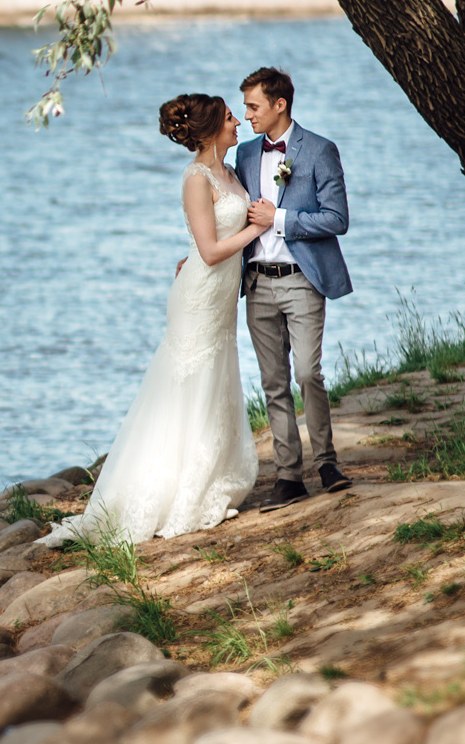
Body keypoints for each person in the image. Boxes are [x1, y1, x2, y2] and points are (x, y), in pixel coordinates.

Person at [48, 93, 260, 545]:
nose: (238, 121)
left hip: (220, 297)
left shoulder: (231, 171)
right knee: (187, 380)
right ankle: (170, 488)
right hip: (199, 295)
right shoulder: (196, 179)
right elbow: (209, 250)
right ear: (209, 130)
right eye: (229, 117)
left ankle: (210, 473)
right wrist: (257, 228)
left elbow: (216, 241)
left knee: (216, 376)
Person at [234, 67, 351, 506]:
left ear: (279, 105)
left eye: (253, 106)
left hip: (303, 281)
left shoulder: (319, 150)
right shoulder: (245, 155)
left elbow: (337, 218)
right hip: (258, 285)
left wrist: (279, 220)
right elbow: (226, 211)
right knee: (273, 382)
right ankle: (289, 476)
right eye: (245, 107)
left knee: (307, 372)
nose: (247, 115)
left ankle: (327, 462)